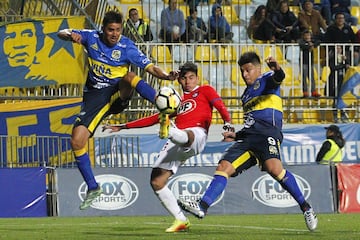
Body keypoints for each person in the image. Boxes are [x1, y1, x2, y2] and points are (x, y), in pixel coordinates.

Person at [178, 51, 318, 232]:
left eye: (249, 70)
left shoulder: (267, 79)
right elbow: (251, 123)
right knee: (223, 167)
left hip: (267, 133)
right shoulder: (245, 95)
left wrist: (276, 68)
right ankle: (202, 206)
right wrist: (235, 136)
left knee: (274, 170)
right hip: (249, 138)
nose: (245, 75)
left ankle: (306, 208)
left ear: (258, 69)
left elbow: (279, 77)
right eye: (242, 71)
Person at [57, 10, 178, 210]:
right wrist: (72, 37)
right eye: (111, 30)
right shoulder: (91, 37)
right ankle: (93, 187)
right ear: (103, 29)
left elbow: (151, 68)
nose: (114, 34)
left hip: (118, 93)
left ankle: (160, 105)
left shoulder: (127, 47)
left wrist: (166, 77)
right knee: (76, 140)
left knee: (129, 75)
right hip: (94, 97)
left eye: (118, 30)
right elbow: (61, 32)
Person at [104, 62, 233, 232]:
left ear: (197, 78)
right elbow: (151, 119)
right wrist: (122, 126)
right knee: (156, 181)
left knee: (188, 135)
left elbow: (219, 105)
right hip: (178, 140)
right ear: (179, 80)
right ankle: (181, 220)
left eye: (191, 78)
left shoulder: (205, 90)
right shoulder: (175, 101)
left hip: (197, 134)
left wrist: (228, 123)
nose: (188, 81)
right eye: (184, 78)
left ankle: (169, 130)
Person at [0, 20, 57, 87]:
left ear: (39, 42)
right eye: (9, 37)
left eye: (27, 35)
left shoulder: (45, 83)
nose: (19, 44)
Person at [326, 46, 350, 122]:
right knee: (335, 98)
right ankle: (335, 115)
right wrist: (343, 65)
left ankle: (343, 115)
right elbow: (332, 67)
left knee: (342, 98)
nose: (339, 50)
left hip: (342, 80)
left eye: (340, 48)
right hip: (334, 80)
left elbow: (349, 66)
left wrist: (346, 60)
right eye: (337, 48)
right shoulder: (332, 58)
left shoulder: (343, 58)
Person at [298, 30, 321, 97]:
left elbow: (319, 42)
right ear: (303, 36)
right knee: (304, 77)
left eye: (308, 35)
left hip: (310, 62)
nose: (307, 37)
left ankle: (313, 91)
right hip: (303, 62)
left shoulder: (312, 41)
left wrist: (312, 44)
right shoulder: (301, 41)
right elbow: (302, 45)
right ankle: (305, 92)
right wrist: (309, 45)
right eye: (306, 35)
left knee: (312, 77)